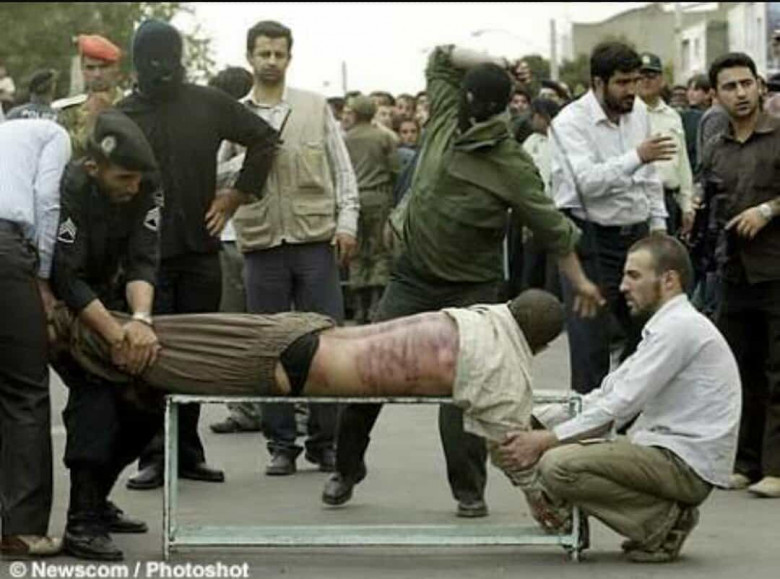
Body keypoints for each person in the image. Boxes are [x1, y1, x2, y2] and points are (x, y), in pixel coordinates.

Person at [325, 44, 603, 518]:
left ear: (498, 111)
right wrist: (497, 61)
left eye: (484, 108)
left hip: (470, 290)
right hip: (411, 277)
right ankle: (345, 468)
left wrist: (580, 282)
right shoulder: (445, 115)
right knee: (368, 371)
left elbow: (553, 229)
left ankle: (468, 489)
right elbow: (441, 57)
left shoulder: (511, 164)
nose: (473, 113)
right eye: (471, 101)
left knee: (466, 390)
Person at [49, 290, 564, 449]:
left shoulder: (477, 317)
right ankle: (57, 325)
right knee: (142, 356)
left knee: (149, 333)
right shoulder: (497, 361)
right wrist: (545, 501)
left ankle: (65, 315)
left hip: (302, 334)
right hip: (289, 363)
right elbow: (514, 447)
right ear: (537, 346)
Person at [497, 235, 741, 563]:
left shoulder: (679, 328)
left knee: (558, 466)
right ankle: (647, 520)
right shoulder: (666, 327)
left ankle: (661, 524)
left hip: (685, 463)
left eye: (634, 276)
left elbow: (620, 405)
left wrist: (548, 438)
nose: (623, 286)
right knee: (531, 436)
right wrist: (537, 417)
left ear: (669, 280)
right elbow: (608, 393)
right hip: (664, 451)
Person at [118, 20, 279, 491]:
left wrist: (236, 195)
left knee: (194, 358)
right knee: (150, 359)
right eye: (151, 61)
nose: (160, 70)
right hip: (145, 260)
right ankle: (155, 455)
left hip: (199, 252)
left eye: (167, 59)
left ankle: (188, 453)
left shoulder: (207, 103)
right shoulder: (124, 115)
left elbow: (265, 139)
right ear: (137, 64)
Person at [232, 20, 359, 477]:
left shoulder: (314, 106)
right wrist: (250, 162)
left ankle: (325, 442)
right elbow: (215, 175)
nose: (271, 61)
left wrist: (348, 223)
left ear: (289, 57)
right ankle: (281, 444)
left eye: (278, 54)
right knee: (267, 348)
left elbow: (342, 170)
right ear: (250, 57)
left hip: (314, 242)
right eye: (263, 53)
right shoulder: (234, 114)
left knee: (326, 344)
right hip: (261, 243)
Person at [48, 109, 165, 561]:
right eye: (123, 178)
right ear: (94, 167)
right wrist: (115, 337)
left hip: (116, 298)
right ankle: (81, 523)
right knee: (96, 392)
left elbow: (143, 258)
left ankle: (98, 500)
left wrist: (141, 321)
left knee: (147, 398)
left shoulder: (146, 184)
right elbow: (68, 276)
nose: (133, 187)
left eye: (138, 179)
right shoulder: (73, 186)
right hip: (65, 302)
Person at [550, 41, 672, 395]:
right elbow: (585, 184)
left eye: (635, 81)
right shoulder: (570, 123)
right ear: (598, 83)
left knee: (647, 338)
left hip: (636, 238)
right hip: (589, 241)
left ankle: (624, 420)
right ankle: (588, 423)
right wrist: (636, 157)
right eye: (622, 82)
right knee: (590, 348)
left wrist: (659, 227)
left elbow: (650, 177)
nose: (631, 90)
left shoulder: (639, 113)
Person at [703, 53, 780, 498]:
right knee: (738, 370)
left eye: (746, 84)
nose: (741, 93)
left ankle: (776, 467)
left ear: (760, 87)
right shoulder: (717, 148)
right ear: (716, 96)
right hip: (733, 272)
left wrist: (768, 209)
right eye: (730, 87)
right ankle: (745, 462)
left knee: (778, 370)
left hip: (775, 269)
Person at [0, 119, 70, 558]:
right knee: (23, 390)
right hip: (5, 250)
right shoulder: (52, 134)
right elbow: (47, 201)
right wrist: (43, 276)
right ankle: (22, 530)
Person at [205, 67, 265, 435]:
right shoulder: (217, 133)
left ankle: (280, 409)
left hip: (255, 239)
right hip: (227, 237)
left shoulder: (259, 130)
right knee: (232, 328)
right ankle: (243, 407)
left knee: (261, 326)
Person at [344, 95, 399, 323]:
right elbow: (395, 168)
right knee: (379, 250)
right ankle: (376, 306)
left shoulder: (346, 138)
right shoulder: (383, 137)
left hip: (354, 198)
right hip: (379, 195)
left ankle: (359, 307)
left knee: (356, 252)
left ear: (355, 113)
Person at [637, 53, 695, 237]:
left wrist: (687, 205)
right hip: (638, 200)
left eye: (651, 76)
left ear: (661, 80)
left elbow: (682, 162)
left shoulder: (672, 116)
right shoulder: (626, 115)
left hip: (668, 199)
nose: (646, 81)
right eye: (640, 76)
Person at [54, 35, 124, 157]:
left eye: (104, 67)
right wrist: (92, 122)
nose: (97, 74)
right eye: (90, 68)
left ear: (116, 68)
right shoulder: (69, 111)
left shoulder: (131, 104)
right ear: (82, 70)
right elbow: (68, 154)